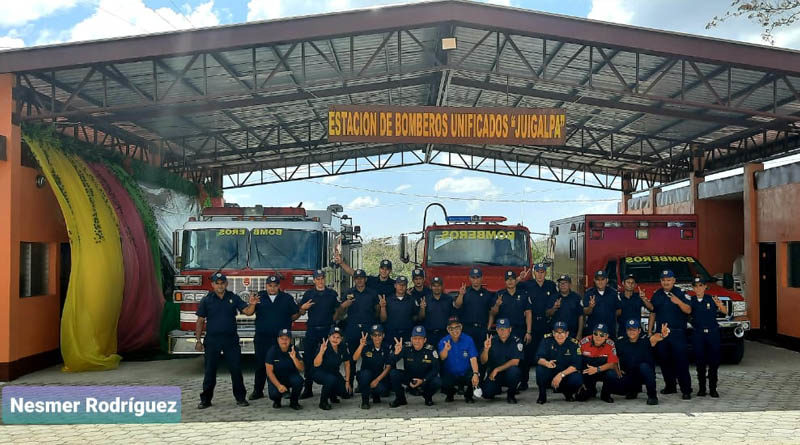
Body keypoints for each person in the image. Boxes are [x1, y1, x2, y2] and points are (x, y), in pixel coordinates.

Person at [195, 272, 258, 409]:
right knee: (210, 371)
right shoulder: (206, 300)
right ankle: (206, 400)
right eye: (217, 283)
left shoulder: (233, 298)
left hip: (230, 340)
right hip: (212, 340)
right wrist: (198, 340)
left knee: (236, 370)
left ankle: (240, 398)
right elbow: (200, 321)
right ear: (212, 284)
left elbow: (247, 312)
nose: (220, 286)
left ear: (226, 284)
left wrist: (252, 304)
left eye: (222, 283)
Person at [249, 274, 301, 401]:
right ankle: (258, 390)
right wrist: (252, 304)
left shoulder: (287, 298)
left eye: (275, 286)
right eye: (269, 286)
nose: (272, 288)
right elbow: (250, 312)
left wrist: (290, 318)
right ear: (266, 285)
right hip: (263, 337)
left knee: (283, 364)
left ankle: (284, 387)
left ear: (279, 286)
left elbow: (295, 314)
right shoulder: (259, 297)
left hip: (281, 339)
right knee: (261, 364)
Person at [648, 269, 693, 399]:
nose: (666, 282)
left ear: (674, 280)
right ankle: (670, 386)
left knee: (681, 362)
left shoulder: (681, 293)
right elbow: (653, 313)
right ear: (661, 281)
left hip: (677, 333)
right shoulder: (657, 295)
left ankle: (686, 390)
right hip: (661, 334)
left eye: (668, 280)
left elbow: (688, 310)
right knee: (664, 361)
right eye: (663, 280)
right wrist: (650, 331)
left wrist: (678, 302)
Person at [299, 269, 341, 399]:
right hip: (312, 329)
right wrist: (303, 308)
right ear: (314, 280)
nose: (320, 281)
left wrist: (332, 322)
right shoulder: (308, 294)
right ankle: (308, 388)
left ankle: (331, 390)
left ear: (325, 279)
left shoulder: (331, 294)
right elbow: (299, 312)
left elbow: (338, 310)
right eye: (317, 278)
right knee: (309, 358)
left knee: (329, 359)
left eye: (322, 278)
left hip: (327, 330)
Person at [517, 263, 558, 391]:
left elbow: (555, 301)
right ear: (534, 273)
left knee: (548, 353)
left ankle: (549, 381)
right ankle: (524, 381)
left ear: (545, 273)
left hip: (546, 323)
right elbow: (512, 287)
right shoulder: (527, 284)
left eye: (542, 272)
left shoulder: (550, 285)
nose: (540, 274)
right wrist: (520, 278)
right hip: (531, 324)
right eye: (538, 272)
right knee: (527, 354)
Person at [490, 270, 532, 390]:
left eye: (512, 279)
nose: (510, 281)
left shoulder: (523, 294)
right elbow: (493, 313)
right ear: (505, 281)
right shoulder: (500, 294)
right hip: (504, 332)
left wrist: (528, 332)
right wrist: (497, 304)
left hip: (519, 330)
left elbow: (529, 313)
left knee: (522, 358)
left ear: (515, 280)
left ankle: (522, 382)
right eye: (508, 279)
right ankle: (500, 382)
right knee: (502, 357)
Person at [339, 268, 380, 389]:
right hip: (352, 329)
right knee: (352, 359)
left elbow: (377, 311)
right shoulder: (348, 293)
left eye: (361, 278)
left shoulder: (372, 293)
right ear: (354, 280)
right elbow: (340, 312)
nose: (359, 280)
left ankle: (365, 386)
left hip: (367, 329)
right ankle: (349, 385)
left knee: (369, 358)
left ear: (365, 279)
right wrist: (344, 305)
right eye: (357, 278)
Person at [614, 318, 667, 405]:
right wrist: (617, 369)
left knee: (644, 367)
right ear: (626, 331)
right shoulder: (621, 342)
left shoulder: (645, 340)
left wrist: (662, 335)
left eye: (634, 329)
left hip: (644, 375)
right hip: (629, 374)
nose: (631, 332)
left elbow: (655, 338)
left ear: (639, 331)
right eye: (629, 329)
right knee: (615, 383)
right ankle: (633, 391)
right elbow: (614, 357)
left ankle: (652, 396)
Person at [689, 276, 727, 398]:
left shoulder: (711, 299)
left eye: (701, 285)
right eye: (696, 286)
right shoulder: (691, 301)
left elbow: (725, 311)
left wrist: (720, 305)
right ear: (693, 288)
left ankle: (713, 388)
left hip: (712, 333)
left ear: (705, 286)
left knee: (714, 362)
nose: (698, 288)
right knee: (700, 362)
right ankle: (702, 389)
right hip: (698, 334)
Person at [389, 325, 441, 407]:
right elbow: (391, 362)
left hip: (424, 379)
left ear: (425, 340)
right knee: (394, 373)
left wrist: (423, 380)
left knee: (437, 381)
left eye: (420, 338)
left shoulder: (430, 350)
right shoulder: (406, 347)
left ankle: (428, 397)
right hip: (409, 378)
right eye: (415, 338)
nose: (417, 341)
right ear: (411, 339)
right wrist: (395, 354)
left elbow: (436, 369)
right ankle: (400, 399)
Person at [534, 321, 583, 404]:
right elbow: (538, 358)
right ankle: (542, 394)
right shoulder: (547, 340)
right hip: (551, 371)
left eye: (562, 332)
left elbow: (576, 365)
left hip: (565, 374)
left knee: (577, 378)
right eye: (557, 332)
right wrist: (546, 363)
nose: (559, 335)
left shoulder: (573, 343)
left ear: (567, 333)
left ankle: (568, 393)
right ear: (553, 333)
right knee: (540, 370)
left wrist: (561, 375)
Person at [480, 318, 524, 403]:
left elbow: (515, 361)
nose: (502, 331)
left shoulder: (516, 341)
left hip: (508, 373)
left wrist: (497, 369)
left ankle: (511, 394)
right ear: (496, 329)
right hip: (495, 375)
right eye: (500, 329)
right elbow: (483, 361)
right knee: (486, 394)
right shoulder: (491, 341)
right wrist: (486, 349)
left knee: (515, 371)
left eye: (505, 329)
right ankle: (497, 389)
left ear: (510, 329)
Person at [438, 316, 480, 403]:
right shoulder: (444, 341)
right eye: (451, 328)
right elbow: (442, 357)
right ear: (448, 329)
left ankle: (468, 396)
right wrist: (446, 349)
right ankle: (450, 394)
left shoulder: (468, 339)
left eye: (457, 327)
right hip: (450, 373)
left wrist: (475, 373)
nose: (455, 330)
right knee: (442, 381)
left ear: (461, 327)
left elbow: (473, 358)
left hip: (465, 372)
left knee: (474, 375)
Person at [453, 268, 495, 356]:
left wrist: (488, 327)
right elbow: (457, 305)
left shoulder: (487, 294)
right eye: (473, 277)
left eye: (477, 277)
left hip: (482, 329)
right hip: (467, 329)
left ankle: (480, 370)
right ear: (469, 278)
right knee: (466, 353)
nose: (475, 280)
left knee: (481, 353)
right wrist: (461, 294)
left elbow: (491, 312)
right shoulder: (465, 291)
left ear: (481, 278)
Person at [578, 323, 622, 403]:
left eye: (602, 335)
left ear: (606, 336)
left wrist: (597, 369)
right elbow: (577, 362)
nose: (598, 337)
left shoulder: (611, 344)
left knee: (612, 374)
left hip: (601, 370)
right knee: (581, 398)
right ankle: (590, 390)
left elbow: (612, 364)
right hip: (588, 372)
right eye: (595, 333)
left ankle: (605, 394)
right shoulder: (583, 342)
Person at [352, 324, 392, 409]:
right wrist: (361, 345)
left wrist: (377, 380)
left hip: (378, 376)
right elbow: (354, 358)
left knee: (383, 390)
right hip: (365, 375)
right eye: (374, 335)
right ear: (371, 336)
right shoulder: (367, 346)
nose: (377, 337)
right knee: (365, 376)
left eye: (379, 335)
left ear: (383, 335)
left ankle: (374, 394)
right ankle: (365, 401)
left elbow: (388, 367)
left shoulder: (386, 348)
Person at [312, 326, 351, 410]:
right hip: (319, 372)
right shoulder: (323, 346)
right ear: (329, 337)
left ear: (341, 339)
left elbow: (347, 364)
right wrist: (321, 352)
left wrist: (347, 381)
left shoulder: (343, 347)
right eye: (333, 337)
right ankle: (323, 402)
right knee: (330, 379)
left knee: (345, 392)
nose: (335, 339)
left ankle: (332, 395)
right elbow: (316, 364)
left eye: (338, 337)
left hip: (334, 372)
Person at [264, 328, 304, 410]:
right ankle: (277, 401)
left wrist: (294, 358)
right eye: (282, 338)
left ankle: (294, 402)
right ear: (278, 339)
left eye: (287, 339)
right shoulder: (272, 351)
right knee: (274, 394)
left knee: (299, 381)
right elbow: (269, 372)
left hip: (291, 376)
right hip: (277, 377)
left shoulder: (294, 349)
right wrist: (278, 386)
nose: (284, 341)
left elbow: (302, 368)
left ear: (290, 340)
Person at [380, 276, 419, 344]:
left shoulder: (412, 300)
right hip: (391, 335)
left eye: (404, 285)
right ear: (395, 285)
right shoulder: (388, 300)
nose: (401, 286)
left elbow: (416, 317)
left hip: (407, 334)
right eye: (399, 284)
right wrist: (382, 307)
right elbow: (383, 319)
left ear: (406, 286)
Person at [583, 270, 620, 339]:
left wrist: (610, 315)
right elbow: (585, 312)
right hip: (593, 331)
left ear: (607, 280)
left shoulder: (613, 293)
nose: (600, 282)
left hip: (609, 331)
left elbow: (619, 310)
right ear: (594, 280)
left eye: (602, 279)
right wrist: (590, 307)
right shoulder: (589, 293)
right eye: (598, 280)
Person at [615, 273, 654, 339]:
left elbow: (652, 308)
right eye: (628, 282)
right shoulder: (618, 297)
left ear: (635, 285)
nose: (630, 284)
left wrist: (644, 299)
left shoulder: (639, 297)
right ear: (623, 283)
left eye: (632, 283)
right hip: (623, 331)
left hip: (637, 331)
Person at [420, 276, 454, 348]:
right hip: (430, 335)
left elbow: (452, 317)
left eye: (439, 285)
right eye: (434, 286)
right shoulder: (425, 299)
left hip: (445, 334)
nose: (436, 288)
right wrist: (422, 308)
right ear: (431, 287)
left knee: (444, 356)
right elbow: (421, 317)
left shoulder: (449, 299)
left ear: (442, 286)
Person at [548, 275, 585, 339]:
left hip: (572, 334)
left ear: (570, 285)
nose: (563, 285)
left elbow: (581, 316)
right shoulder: (553, 297)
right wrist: (554, 308)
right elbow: (547, 314)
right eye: (561, 283)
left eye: (565, 283)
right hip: (556, 334)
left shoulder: (577, 297)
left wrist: (579, 334)